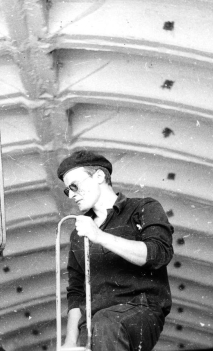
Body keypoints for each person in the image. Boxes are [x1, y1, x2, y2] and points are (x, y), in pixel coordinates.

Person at [57, 150, 174, 351]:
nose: (72, 195)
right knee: (99, 325)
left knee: (106, 323)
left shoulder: (143, 208)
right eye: (68, 191)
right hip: (94, 324)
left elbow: (158, 254)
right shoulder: (78, 234)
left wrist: (99, 236)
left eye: (74, 186)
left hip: (139, 310)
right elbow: (76, 292)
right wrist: (69, 343)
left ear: (99, 176)